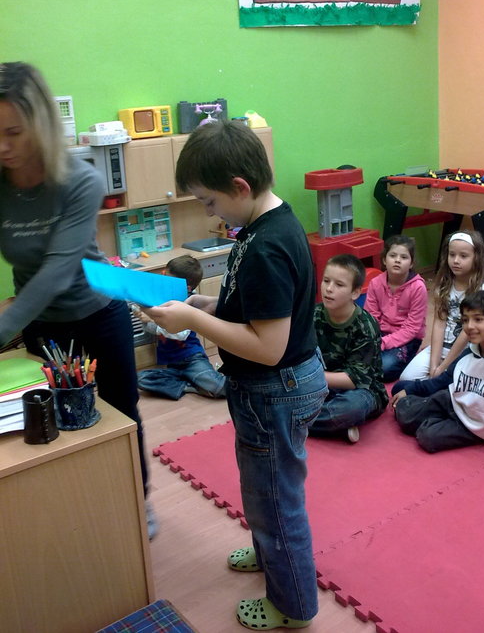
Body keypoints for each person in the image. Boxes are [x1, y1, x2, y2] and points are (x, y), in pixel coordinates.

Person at [144, 120, 328, 631]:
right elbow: (257, 308)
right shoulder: (264, 225)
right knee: (262, 488)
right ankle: (269, 552)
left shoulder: (267, 245)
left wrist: (193, 320)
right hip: (273, 389)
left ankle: (293, 606)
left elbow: (268, 348)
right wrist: (209, 305)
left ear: (240, 187)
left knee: (276, 500)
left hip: (276, 390)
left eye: (209, 201)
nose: (209, 212)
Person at [0, 62, 157, 537]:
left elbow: (55, 272)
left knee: (120, 413)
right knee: (58, 422)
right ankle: (81, 511)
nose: (2, 146)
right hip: (42, 325)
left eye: (13, 132)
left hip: (97, 315)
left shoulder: (80, 180)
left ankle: (136, 501)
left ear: (41, 125)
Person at [391, 290, 484, 454]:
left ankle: (432, 420)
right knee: (403, 403)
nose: (469, 326)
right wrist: (410, 389)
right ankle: (430, 415)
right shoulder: (470, 351)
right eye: (465, 320)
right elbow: (443, 380)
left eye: (478, 319)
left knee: (427, 437)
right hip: (453, 401)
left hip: (477, 424)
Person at [308, 253, 388, 444]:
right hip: (321, 386)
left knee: (351, 408)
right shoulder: (313, 315)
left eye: (339, 284)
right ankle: (332, 426)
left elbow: (354, 380)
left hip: (361, 390)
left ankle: (291, 421)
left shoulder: (365, 326)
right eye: (326, 281)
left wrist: (307, 378)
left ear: (355, 293)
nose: (329, 288)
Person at [400, 230, 484, 381]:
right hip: (442, 347)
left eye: (463, 256)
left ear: (476, 258)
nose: (456, 260)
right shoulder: (445, 284)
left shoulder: (483, 289)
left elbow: (466, 333)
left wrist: (443, 367)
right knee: (406, 378)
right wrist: (434, 365)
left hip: (468, 352)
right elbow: (439, 323)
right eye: (452, 254)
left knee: (451, 384)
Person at [135, 254, 225, 400]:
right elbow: (152, 329)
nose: (163, 281)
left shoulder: (190, 303)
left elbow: (179, 334)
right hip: (171, 363)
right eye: (164, 275)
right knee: (140, 379)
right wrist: (144, 318)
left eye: (168, 280)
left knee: (218, 387)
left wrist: (152, 320)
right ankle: (189, 385)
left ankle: (193, 382)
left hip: (192, 359)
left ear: (186, 287)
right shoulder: (165, 298)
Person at [364, 235, 427, 381]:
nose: (397, 260)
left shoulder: (418, 288)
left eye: (404, 257)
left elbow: (412, 328)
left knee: (385, 367)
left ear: (411, 263)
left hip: (408, 338)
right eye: (393, 256)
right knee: (354, 356)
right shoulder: (375, 283)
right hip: (380, 334)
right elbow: (370, 317)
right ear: (384, 260)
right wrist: (373, 340)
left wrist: (383, 344)